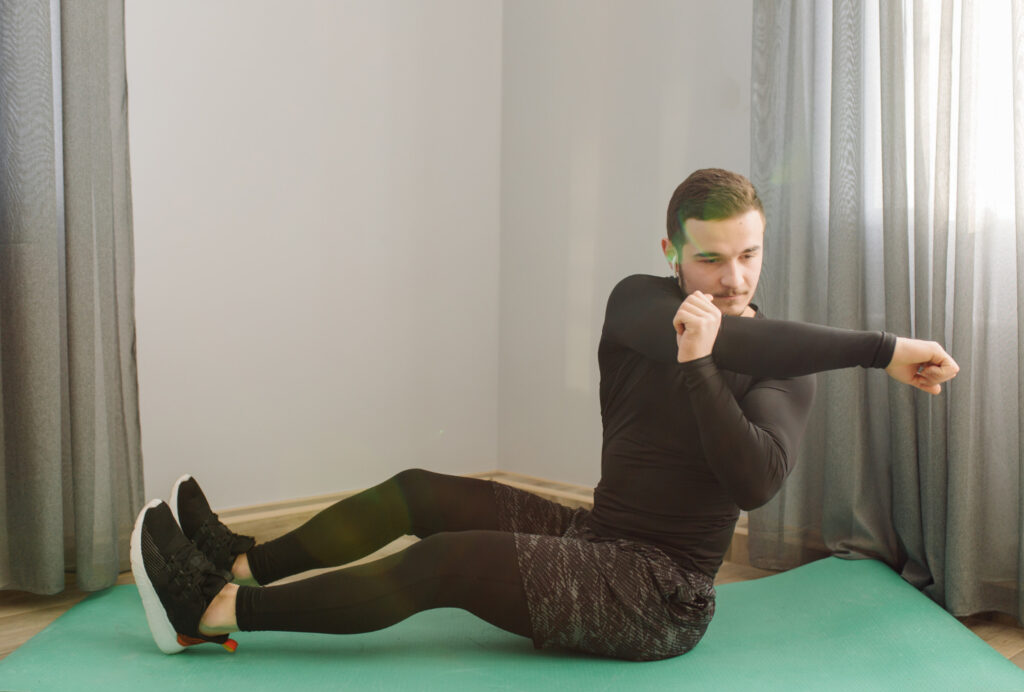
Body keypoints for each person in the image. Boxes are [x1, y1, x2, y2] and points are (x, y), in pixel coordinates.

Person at [131, 168, 959, 661]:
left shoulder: (789, 368)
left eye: (748, 255)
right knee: (421, 490)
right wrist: (880, 346)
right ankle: (246, 561)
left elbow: (754, 482)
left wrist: (706, 367)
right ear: (671, 253)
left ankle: (214, 612)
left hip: (663, 596)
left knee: (443, 564)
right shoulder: (636, 302)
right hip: (601, 541)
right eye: (710, 258)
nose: (733, 279)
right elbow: (703, 333)